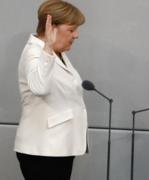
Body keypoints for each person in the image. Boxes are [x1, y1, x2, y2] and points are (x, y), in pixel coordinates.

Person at [14, 1, 87, 180]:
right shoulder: (35, 52)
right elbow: (39, 88)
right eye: (71, 30)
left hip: (58, 147)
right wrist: (47, 47)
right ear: (51, 27)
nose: (76, 35)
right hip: (43, 149)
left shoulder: (58, 53)